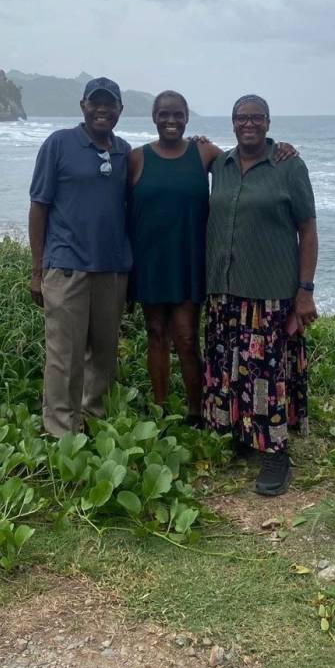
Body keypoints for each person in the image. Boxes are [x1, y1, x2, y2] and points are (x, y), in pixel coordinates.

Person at [204, 94, 318, 496]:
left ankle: (275, 452)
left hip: (269, 293)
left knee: (266, 375)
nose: (248, 123)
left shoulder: (289, 165)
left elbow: (308, 230)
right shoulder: (220, 164)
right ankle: (239, 434)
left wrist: (305, 292)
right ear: (233, 122)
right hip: (223, 290)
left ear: (268, 122)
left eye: (256, 117)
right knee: (229, 367)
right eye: (241, 117)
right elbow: (193, 148)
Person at [29, 77, 131, 437]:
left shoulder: (124, 152)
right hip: (66, 265)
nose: (102, 109)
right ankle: (61, 431)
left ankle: (93, 417)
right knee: (64, 353)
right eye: (95, 102)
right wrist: (37, 271)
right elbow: (39, 207)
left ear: (120, 109)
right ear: (83, 106)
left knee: (103, 352)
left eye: (110, 103)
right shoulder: (59, 144)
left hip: (112, 269)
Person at [128, 91, 219, 425]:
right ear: (154, 117)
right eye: (164, 114)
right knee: (155, 333)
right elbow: (119, 208)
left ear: (187, 117)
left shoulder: (204, 153)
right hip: (150, 261)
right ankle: (161, 409)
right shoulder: (136, 158)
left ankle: (196, 411)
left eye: (178, 114)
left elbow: (244, 166)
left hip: (188, 261)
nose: (171, 120)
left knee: (187, 337)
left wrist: (279, 150)